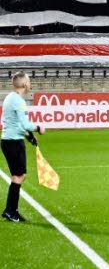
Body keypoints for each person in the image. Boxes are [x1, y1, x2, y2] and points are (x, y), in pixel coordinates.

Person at [3, 72, 44, 222]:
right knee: (19, 176)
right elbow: (26, 124)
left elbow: (18, 124)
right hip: (13, 142)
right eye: (29, 81)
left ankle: (10, 210)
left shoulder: (10, 97)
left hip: (9, 140)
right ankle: (11, 211)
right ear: (25, 84)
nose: (30, 84)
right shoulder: (19, 101)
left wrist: (29, 137)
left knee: (19, 175)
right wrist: (39, 128)